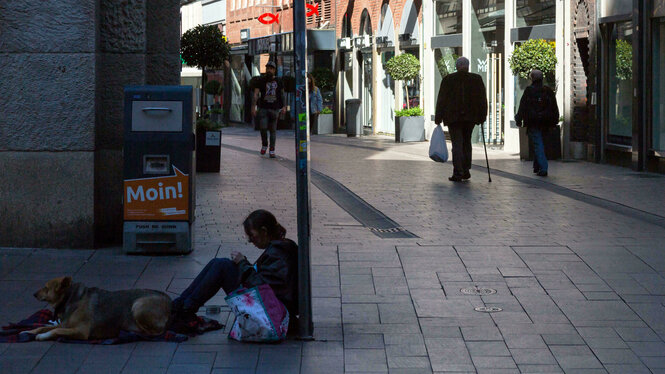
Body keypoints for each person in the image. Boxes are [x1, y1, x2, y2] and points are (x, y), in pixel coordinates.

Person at [170, 210, 299, 332]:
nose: (250, 241)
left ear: (264, 231)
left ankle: (184, 310)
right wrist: (243, 265)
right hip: (270, 304)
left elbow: (264, 287)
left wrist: (242, 263)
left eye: (252, 236)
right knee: (218, 263)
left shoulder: (279, 252)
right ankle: (180, 306)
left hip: (274, 311)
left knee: (222, 266)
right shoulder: (279, 248)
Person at [434, 57, 488, 182]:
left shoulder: (448, 79)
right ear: (468, 66)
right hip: (470, 118)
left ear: (457, 66)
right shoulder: (476, 79)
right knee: (466, 142)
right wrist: (482, 116)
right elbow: (482, 99)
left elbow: (441, 99)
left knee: (457, 144)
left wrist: (438, 117)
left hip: (453, 118)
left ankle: (458, 171)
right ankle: (466, 169)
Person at [515, 69, 560, 177]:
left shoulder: (529, 91)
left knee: (538, 143)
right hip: (546, 122)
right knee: (539, 143)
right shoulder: (548, 91)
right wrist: (555, 120)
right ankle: (537, 166)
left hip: (533, 122)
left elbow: (522, 106)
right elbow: (554, 107)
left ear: (532, 78)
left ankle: (543, 167)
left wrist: (518, 119)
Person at [252, 61, 286, 158]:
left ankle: (272, 149)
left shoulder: (279, 81)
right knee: (263, 128)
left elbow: (283, 95)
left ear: (274, 70)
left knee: (273, 130)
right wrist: (253, 107)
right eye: (267, 68)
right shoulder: (261, 80)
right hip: (263, 108)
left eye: (271, 68)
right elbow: (256, 94)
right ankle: (264, 144)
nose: (269, 70)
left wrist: (284, 106)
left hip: (275, 109)